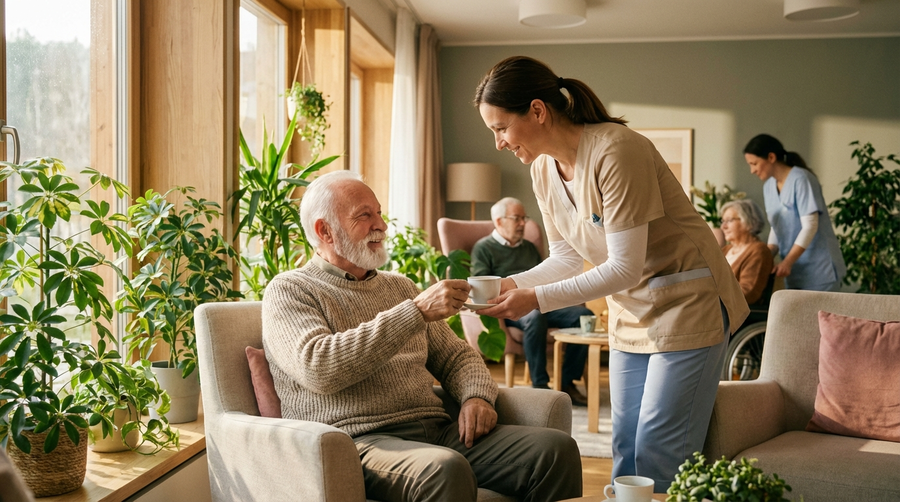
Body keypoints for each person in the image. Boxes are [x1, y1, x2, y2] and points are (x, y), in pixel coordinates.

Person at [473, 56, 749, 492]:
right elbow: (565, 259)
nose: (498, 143)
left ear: (537, 111)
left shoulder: (617, 150)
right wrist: (509, 285)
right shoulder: (543, 169)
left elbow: (624, 266)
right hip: (630, 310)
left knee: (658, 448)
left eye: (501, 128)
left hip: (689, 303)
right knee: (626, 447)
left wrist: (535, 300)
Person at [261, 170, 582, 502]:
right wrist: (415, 312)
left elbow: (456, 355)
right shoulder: (290, 290)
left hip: (435, 431)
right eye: (364, 216)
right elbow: (319, 367)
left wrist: (476, 396)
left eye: (379, 213)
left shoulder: (399, 286)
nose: (381, 225)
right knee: (444, 469)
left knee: (554, 450)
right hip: (356, 441)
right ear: (324, 230)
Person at [471, 196, 590, 405]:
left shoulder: (529, 247)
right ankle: (540, 386)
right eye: (516, 218)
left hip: (538, 300)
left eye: (524, 218)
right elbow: (483, 286)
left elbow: (546, 278)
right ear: (499, 221)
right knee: (534, 317)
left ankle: (567, 383)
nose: (522, 223)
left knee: (584, 317)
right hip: (509, 307)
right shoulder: (483, 248)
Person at [743, 134, 846, 291]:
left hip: (820, 270)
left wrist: (787, 262)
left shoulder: (801, 179)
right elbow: (777, 228)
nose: (752, 171)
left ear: (771, 157)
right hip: (795, 272)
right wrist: (764, 257)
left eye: (754, 164)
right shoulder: (768, 187)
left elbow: (810, 226)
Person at [719, 199, 774, 306]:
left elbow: (747, 292)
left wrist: (711, 299)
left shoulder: (758, 251)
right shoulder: (725, 250)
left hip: (734, 311)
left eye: (729, 220)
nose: (723, 227)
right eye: (722, 221)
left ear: (749, 222)